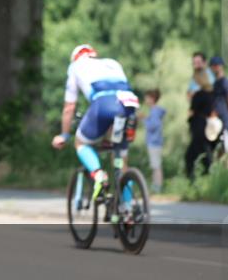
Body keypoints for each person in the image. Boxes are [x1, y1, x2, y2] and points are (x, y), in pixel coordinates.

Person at [51, 45, 140, 217]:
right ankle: (127, 208)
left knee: (81, 142)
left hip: (104, 104)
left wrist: (64, 134)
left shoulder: (75, 67)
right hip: (128, 105)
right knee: (120, 158)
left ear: (75, 58)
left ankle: (98, 175)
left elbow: (69, 107)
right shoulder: (112, 63)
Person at [186, 70, 215, 182]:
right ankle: (206, 179)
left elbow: (192, 111)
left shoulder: (198, 95)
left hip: (198, 127)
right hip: (208, 127)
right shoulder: (212, 94)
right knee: (205, 154)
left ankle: (193, 181)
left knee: (191, 156)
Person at [209, 55, 228, 167]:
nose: (215, 68)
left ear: (221, 67)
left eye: (217, 65)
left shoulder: (225, 82)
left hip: (226, 124)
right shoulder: (215, 84)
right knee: (218, 153)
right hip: (217, 125)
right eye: (213, 66)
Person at [141, 89, 165, 193]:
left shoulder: (154, 111)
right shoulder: (154, 111)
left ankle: (157, 187)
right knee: (155, 165)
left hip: (154, 142)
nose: (145, 100)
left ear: (152, 99)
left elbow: (153, 126)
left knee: (156, 165)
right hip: (155, 141)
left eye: (147, 98)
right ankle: (155, 186)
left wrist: (144, 119)